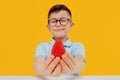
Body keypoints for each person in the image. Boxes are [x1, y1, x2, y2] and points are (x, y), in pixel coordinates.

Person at [34, 4, 86, 77]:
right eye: (53, 21)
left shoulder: (77, 46)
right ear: (48, 27)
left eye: (63, 20)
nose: (58, 24)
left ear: (71, 25)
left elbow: (80, 63)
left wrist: (72, 67)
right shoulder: (43, 46)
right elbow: (37, 65)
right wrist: (45, 70)